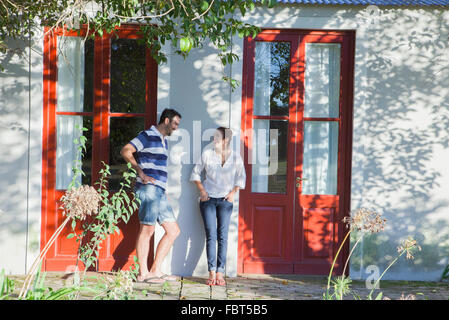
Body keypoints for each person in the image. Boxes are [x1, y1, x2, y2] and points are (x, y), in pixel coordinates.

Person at [121, 108, 182, 284]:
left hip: (159, 191)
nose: (176, 128)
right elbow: (126, 150)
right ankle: (143, 274)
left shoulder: (164, 141)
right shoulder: (147, 135)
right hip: (148, 189)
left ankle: (155, 270)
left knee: (173, 231)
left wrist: (163, 190)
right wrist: (140, 172)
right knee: (147, 228)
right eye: (175, 124)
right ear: (166, 121)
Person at [190, 127, 246, 286]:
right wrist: (202, 190)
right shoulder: (207, 154)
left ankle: (220, 273)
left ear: (225, 140)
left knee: (222, 236)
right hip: (208, 200)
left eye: (216, 137)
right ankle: (211, 272)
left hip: (225, 201)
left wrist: (233, 193)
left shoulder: (235, 157)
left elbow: (241, 178)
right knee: (211, 235)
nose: (213, 140)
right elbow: (195, 173)